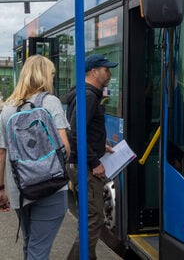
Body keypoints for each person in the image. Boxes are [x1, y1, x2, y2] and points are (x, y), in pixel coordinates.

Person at [0, 55, 71, 259]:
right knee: (38, 251)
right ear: (45, 76)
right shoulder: (50, 102)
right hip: (51, 186)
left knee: (30, 243)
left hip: (20, 189)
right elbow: (64, 147)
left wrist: (1, 189)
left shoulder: (7, 109)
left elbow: (2, 153)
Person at [66, 54, 118, 260]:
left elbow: (84, 131)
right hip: (84, 166)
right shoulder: (88, 96)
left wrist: (100, 146)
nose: (110, 73)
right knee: (94, 218)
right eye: (106, 69)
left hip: (81, 162)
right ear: (94, 72)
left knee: (90, 216)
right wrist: (95, 162)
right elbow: (76, 133)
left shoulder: (87, 94)